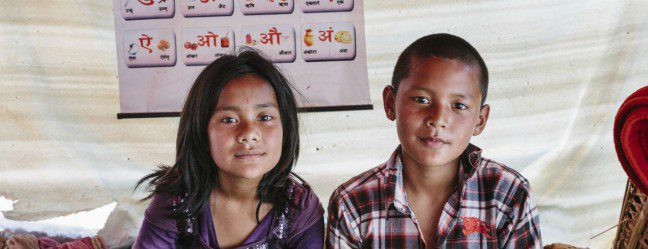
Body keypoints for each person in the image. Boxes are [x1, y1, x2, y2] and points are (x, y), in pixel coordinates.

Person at [326, 33, 542, 248]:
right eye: (422, 100)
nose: (438, 120)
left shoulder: (509, 194)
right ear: (390, 103)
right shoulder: (352, 203)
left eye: (459, 106)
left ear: (480, 120)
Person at [133, 49, 324, 249]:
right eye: (229, 119)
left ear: (286, 128)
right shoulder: (176, 200)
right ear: (202, 133)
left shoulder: (299, 209)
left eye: (264, 117)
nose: (249, 133)